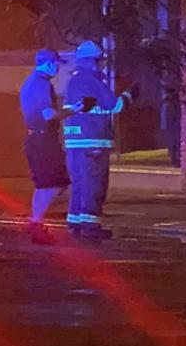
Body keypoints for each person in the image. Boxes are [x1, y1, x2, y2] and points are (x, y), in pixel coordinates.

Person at [18, 48, 86, 244]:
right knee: (55, 183)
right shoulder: (42, 84)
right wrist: (72, 111)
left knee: (45, 184)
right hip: (43, 141)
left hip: (35, 139)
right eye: (56, 63)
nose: (57, 67)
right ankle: (36, 222)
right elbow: (48, 115)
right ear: (48, 62)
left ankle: (36, 223)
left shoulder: (30, 83)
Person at [63, 40, 129, 241]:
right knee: (94, 184)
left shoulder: (72, 81)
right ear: (92, 61)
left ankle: (75, 222)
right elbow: (115, 106)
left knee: (80, 184)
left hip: (74, 140)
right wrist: (128, 95)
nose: (100, 65)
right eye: (99, 61)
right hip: (94, 140)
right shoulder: (93, 80)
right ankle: (91, 226)